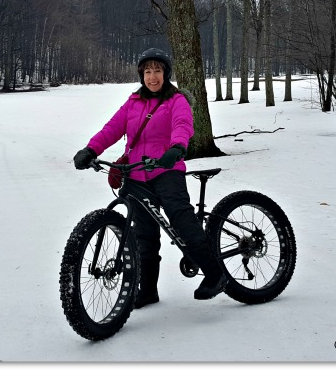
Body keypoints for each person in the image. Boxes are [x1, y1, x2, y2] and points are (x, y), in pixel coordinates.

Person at [73, 47, 227, 308]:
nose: (152, 76)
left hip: (166, 168)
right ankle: (147, 291)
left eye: (157, 70)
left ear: (166, 74)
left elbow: (182, 125)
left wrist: (177, 148)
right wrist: (91, 149)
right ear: (141, 75)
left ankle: (215, 274)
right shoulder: (133, 102)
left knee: (181, 217)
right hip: (135, 174)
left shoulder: (176, 100)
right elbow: (112, 128)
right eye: (147, 71)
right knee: (144, 233)